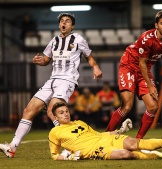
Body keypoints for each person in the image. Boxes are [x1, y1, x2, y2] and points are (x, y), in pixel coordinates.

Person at [0, 13, 102, 158]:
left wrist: (96, 67)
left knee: (53, 111)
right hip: (52, 80)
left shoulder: (78, 39)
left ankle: (72, 146)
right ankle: (12, 147)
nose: (64, 23)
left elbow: (89, 57)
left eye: (67, 21)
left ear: (72, 26)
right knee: (28, 111)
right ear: (59, 24)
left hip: (67, 80)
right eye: (62, 21)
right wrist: (39, 60)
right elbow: (46, 60)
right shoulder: (54, 41)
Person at [106, 10, 162, 138]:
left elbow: (144, 66)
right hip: (129, 66)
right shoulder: (147, 38)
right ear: (156, 25)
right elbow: (141, 63)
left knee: (152, 107)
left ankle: (138, 141)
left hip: (145, 69)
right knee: (127, 106)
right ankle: (106, 136)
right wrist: (150, 86)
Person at [48, 102, 162, 160]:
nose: (65, 114)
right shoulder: (55, 132)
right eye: (61, 113)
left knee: (133, 142)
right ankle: (159, 156)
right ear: (55, 117)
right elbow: (55, 155)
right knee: (126, 154)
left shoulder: (79, 122)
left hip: (105, 139)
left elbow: (98, 134)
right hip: (96, 150)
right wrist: (68, 158)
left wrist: (120, 130)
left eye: (66, 111)